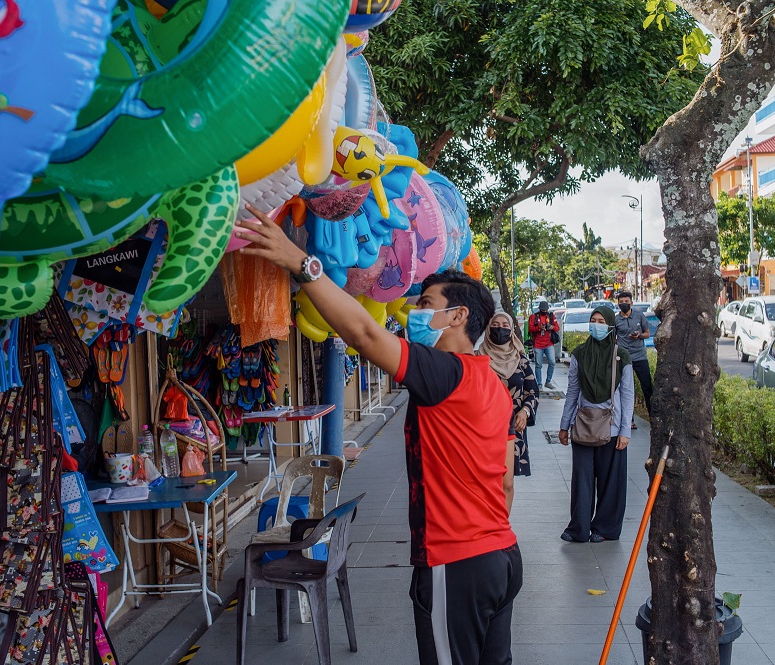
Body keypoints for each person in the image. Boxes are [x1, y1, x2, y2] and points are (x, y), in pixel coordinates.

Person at [234, 205, 522, 665]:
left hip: (457, 563)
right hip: (502, 556)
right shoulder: (493, 384)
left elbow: (366, 335)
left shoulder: (443, 372)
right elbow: (505, 480)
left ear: (457, 316)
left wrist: (300, 263)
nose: (413, 311)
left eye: (425, 304)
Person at [557, 307, 634, 543]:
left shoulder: (622, 357)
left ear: (610, 325)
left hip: (612, 429)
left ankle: (604, 528)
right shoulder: (580, 354)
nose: (596, 325)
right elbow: (572, 393)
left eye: (601, 321)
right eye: (593, 321)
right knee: (582, 480)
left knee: (611, 481)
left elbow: (628, 395)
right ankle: (578, 528)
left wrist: (624, 432)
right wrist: (564, 425)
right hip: (582, 426)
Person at [477, 312, 539, 476]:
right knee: (487, 478)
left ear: (511, 330)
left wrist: (524, 412)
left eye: (505, 326)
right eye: (495, 325)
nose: (500, 329)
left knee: (508, 482)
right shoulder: (477, 359)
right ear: (488, 328)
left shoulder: (520, 359)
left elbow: (532, 391)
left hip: (514, 427)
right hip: (485, 429)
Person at [613, 290, 651, 425]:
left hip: (640, 357)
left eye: (626, 302)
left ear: (631, 303)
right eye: (621, 302)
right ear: (618, 304)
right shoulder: (616, 319)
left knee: (647, 388)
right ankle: (629, 419)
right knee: (626, 389)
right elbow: (613, 338)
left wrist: (639, 335)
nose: (624, 304)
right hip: (624, 359)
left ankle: (653, 418)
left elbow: (647, 333)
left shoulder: (639, 316)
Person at [527, 301, 558, 389]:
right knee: (538, 365)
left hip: (549, 343)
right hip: (538, 344)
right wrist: (538, 328)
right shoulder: (533, 317)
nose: (544, 311)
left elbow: (557, 327)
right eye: (542, 309)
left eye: (545, 309)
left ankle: (548, 382)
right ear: (539, 309)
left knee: (552, 362)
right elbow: (530, 328)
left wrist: (552, 327)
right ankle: (539, 383)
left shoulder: (551, 316)